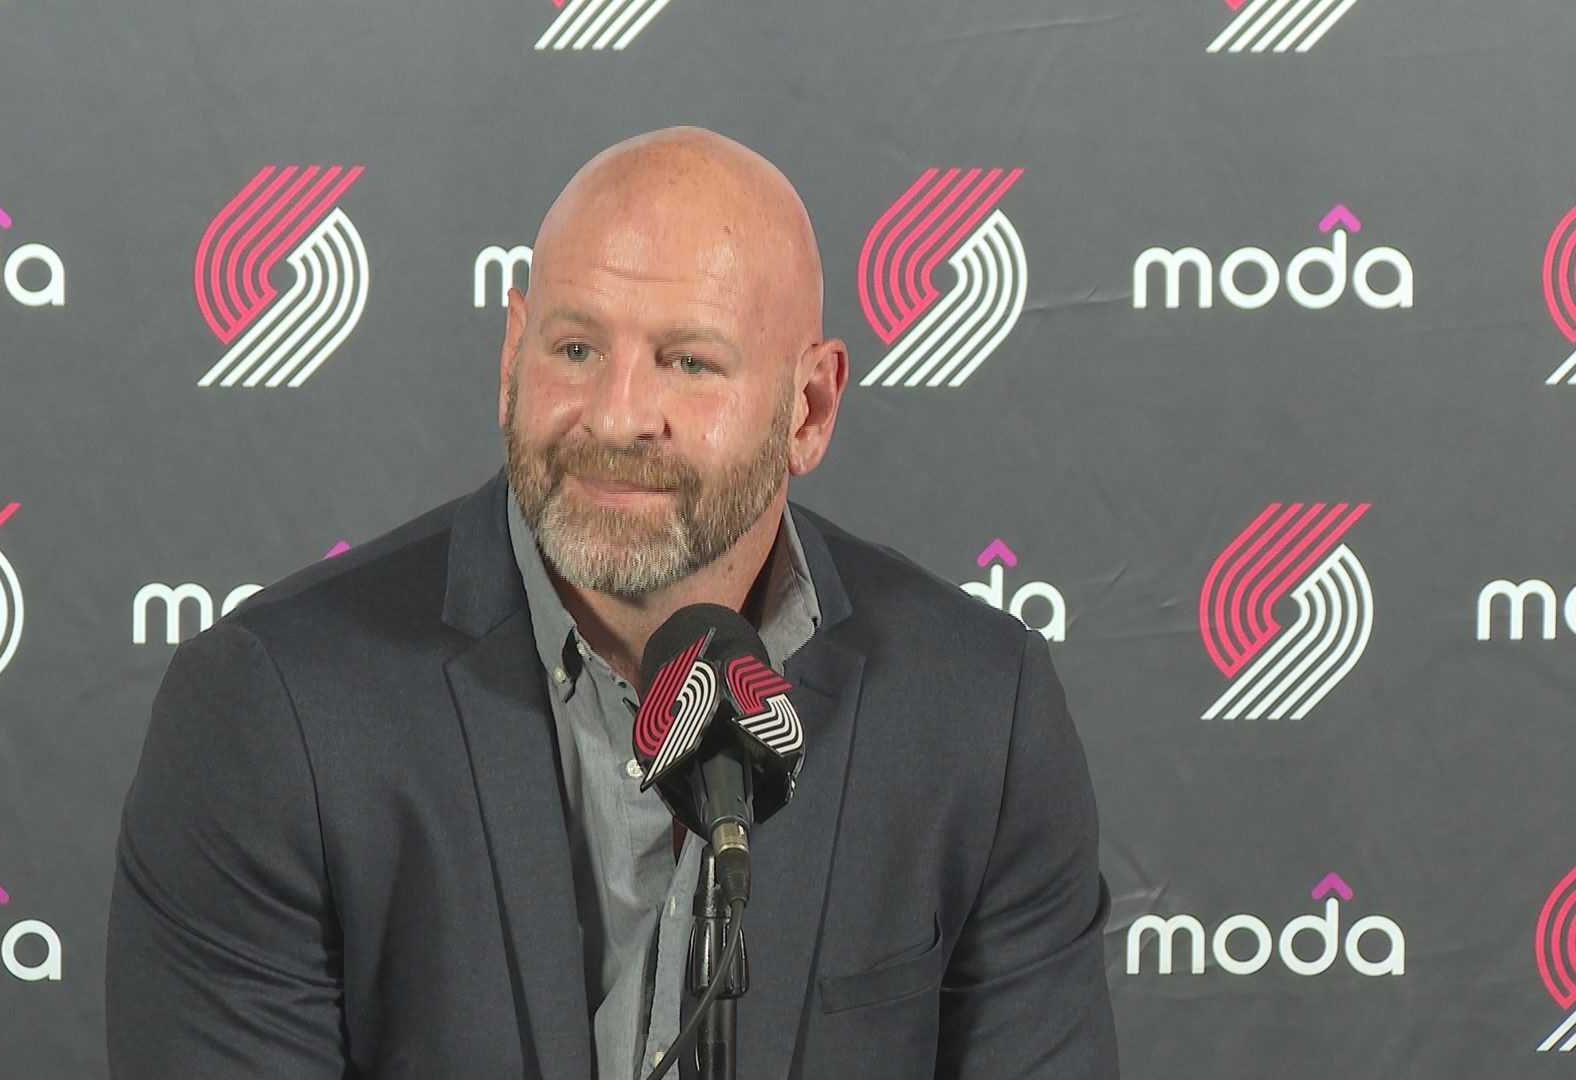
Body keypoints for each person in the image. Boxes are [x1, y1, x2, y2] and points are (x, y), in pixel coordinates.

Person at [106, 127, 1119, 1080]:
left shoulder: (978, 712)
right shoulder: (276, 711)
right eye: (576, 347)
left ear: (809, 408)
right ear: (511, 356)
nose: (618, 412)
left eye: (688, 360)